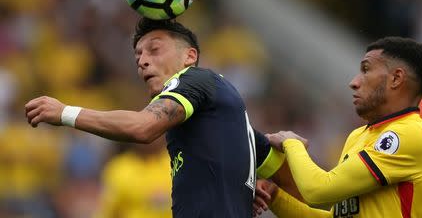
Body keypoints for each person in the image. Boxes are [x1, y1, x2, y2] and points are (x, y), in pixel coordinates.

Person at [25, 17, 287, 218]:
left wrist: (65, 112)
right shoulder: (132, 165)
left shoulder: (197, 81)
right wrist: (250, 192)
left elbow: (142, 127)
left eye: (154, 50)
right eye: (138, 55)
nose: (141, 61)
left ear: (190, 56)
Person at [254, 36, 422, 217]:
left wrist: (292, 143)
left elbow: (317, 190)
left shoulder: (412, 133)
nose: (354, 82)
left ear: (396, 78)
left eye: (366, 69)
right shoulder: (358, 136)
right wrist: (276, 197)